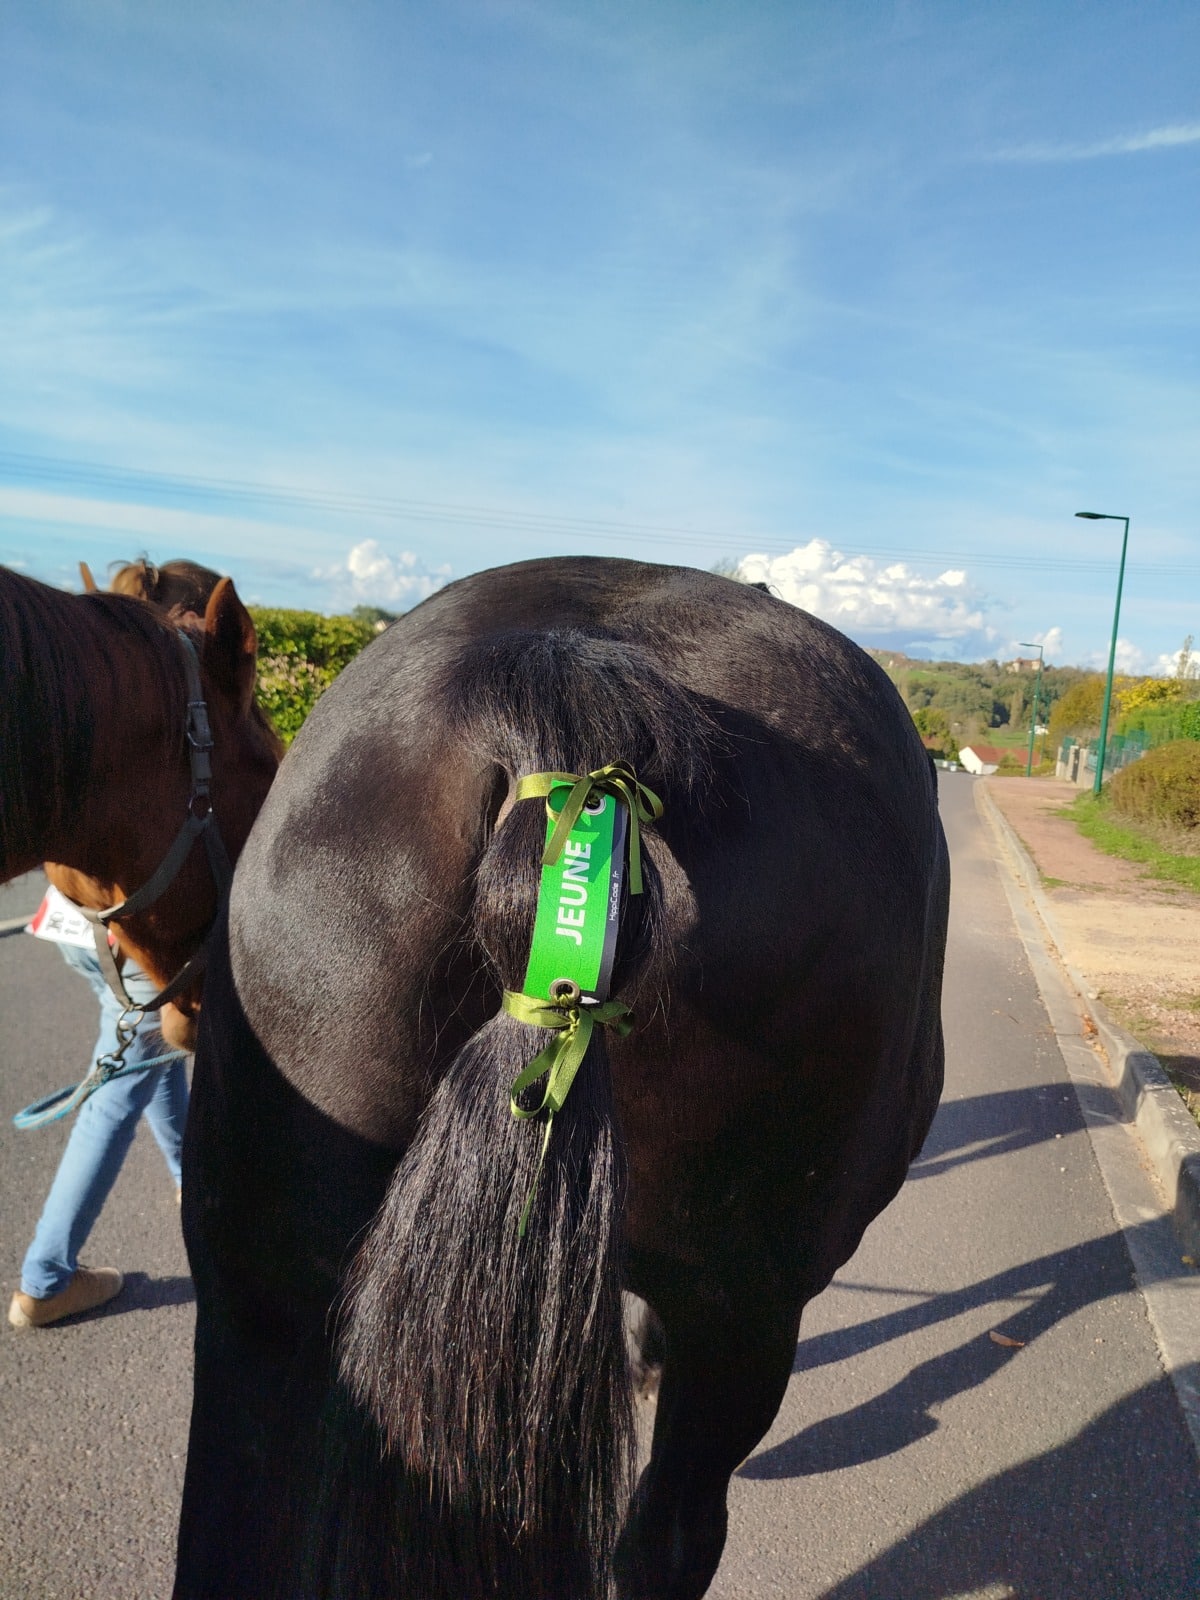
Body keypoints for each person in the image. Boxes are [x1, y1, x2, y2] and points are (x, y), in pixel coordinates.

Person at [8, 556, 225, 1330]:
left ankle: (187, 1176)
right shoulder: (174, 705)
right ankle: (47, 1276)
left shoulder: (114, 686)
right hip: (126, 938)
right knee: (117, 1090)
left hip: (71, 924)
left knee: (152, 1055)